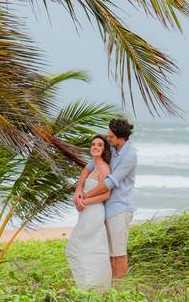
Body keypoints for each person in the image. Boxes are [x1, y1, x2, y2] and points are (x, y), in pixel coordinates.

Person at [73, 118, 137, 280]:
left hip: (119, 209)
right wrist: (79, 188)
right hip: (103, 209)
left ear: (121, 138)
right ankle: (110, 289)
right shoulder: (112, 149)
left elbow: (109, 183)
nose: (108, 139)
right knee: (108, 254)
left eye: (111, 137)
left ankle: (120, 290)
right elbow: (90, 166)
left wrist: (86, 197)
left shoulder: (129, 156)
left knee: (118, 254)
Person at [66, 135, 113, 291]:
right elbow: (81, 182)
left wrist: (84, 201)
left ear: (104, 149)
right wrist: (78, 193)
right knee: (79, 247)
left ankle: (95, 285)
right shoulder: (92, 165)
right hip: (85, 212)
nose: (95, 147)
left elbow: (106, 195)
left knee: (83, 246)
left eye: (99, 145)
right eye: (93, 144)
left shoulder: (104, 167)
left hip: (94, 211)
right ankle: (86, 284)